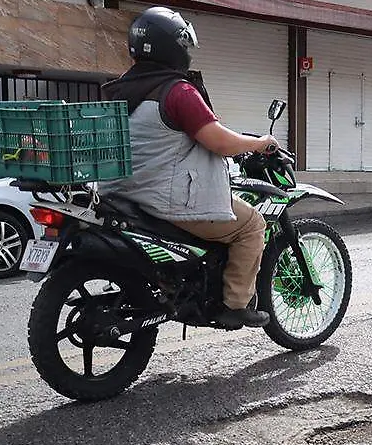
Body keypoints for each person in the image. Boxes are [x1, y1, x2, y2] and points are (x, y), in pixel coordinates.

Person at [100, 6, 278, 329]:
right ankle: (234, 305)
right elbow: (219, 142)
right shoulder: (178, 92)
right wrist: (258, 142)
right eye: (184, 45)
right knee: (251, 224)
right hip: (168, 200)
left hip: (125, 195)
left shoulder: (121, 89)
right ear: (173, 48)